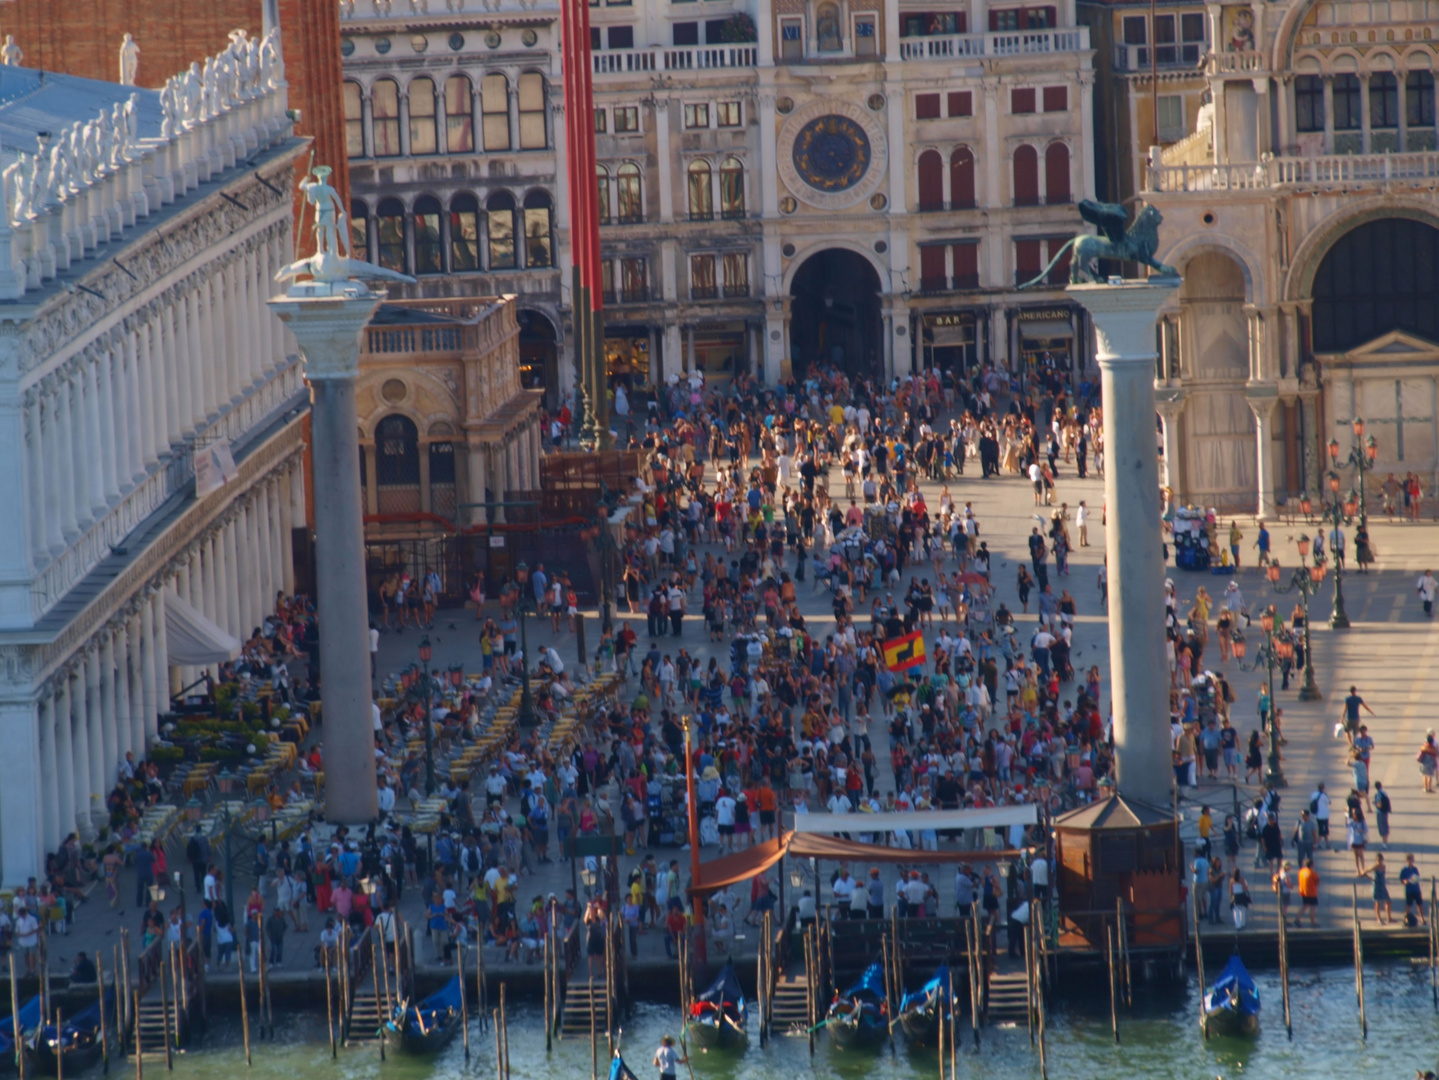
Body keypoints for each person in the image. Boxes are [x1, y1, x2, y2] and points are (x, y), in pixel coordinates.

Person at [1360, 853, 1393, 925]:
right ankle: (1379, 918)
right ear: (1376, 860)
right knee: (1378, 903)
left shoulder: (1384, 866)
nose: (1379, 861)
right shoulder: (1375, 867)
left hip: (1383, 885)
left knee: (1388, 901)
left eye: (1380, 859)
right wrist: (1369, 877)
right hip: (1377, 885)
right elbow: (1365, 871)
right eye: (1378, 860)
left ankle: (1389, 918)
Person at [1400, 854, 1427, 927]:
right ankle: (1405, 919)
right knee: (1408, 905)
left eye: (1413, 859)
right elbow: (1402, 880)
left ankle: (1422, 918)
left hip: (1416, 889)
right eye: (1411, 859)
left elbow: (1417, 877)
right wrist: (1406, 881)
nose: (1412, 861)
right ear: (1407, 860)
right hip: (1409, 890)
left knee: (1420, 905)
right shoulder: (1404, 870)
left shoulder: (1415, 869)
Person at [1296, 858, 1319, 928]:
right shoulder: (1313, 873)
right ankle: (1313, 922)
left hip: (1303, 892)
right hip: (1312, 892)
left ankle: (1297, 919)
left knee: (1305, 906)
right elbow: (1317, 882)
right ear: (1312, 865)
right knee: (1312, 908)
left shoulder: (1301, 871)